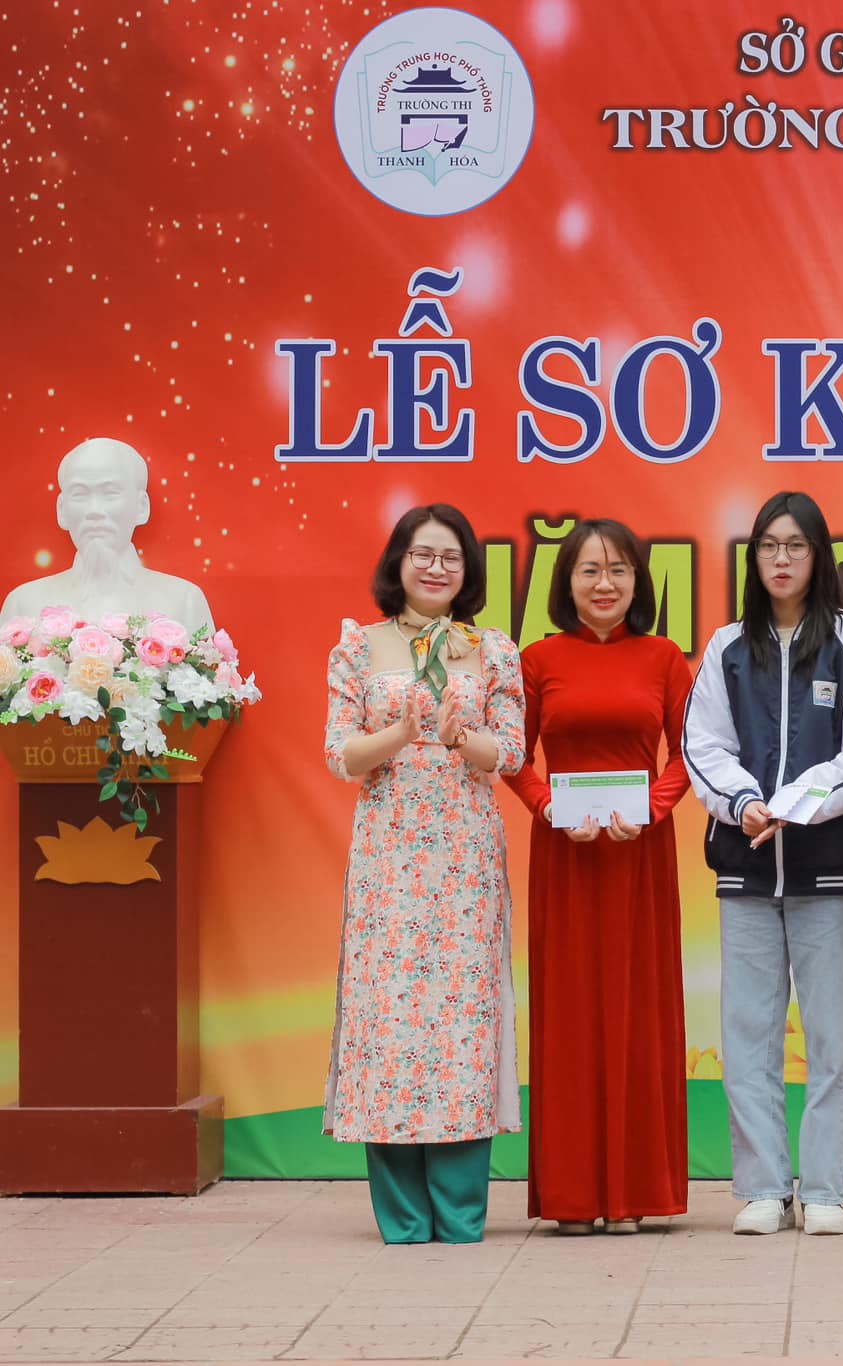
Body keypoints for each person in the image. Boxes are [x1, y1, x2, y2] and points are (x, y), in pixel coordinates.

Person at [682, 492, 843, 1237]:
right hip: (745, 869)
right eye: (769, 546)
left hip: (831, 869)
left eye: (796, 546)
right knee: (748, 1038)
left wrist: (798, 806)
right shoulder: (726, 647)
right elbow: (703, 745)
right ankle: (764, 1188)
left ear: (818, 556)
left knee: (830, 1038)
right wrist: (744, 803)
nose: (781, 559)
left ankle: (826, 1189)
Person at [321, 504, 524, 1244]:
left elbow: (512, 752)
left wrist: (460, 738)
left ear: (468, 571)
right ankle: (403, 1216)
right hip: (388, 861)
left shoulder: (491, 650)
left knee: (463, 1023)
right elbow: (340, 755)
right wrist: (400, 734)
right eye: (423, 554)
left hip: (465, 861)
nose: (436, 568)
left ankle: (461, 1211)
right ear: (398, 562)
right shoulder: (358, 646)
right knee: (389, 1023)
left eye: (451, 557)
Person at [506, 519, 695, 1235]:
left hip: (639, 855)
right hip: (566, 857)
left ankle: (634, 1194)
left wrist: (652, 807)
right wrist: (548, 807)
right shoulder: (538, 660)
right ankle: (573, 1197)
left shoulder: (664, 658)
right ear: (567, 582)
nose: (605, 583)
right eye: (589, 570)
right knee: (570, 1014)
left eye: (619, 569)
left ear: (639, 581)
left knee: (639, 1011)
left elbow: (691, 752)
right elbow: (515, 758)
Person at [1, 436, 213, 629]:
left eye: (110, 493)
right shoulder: (23, 605)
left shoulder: (185, 602)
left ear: (142, 506)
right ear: (62, 510)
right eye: (79, 494)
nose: (94, 510)